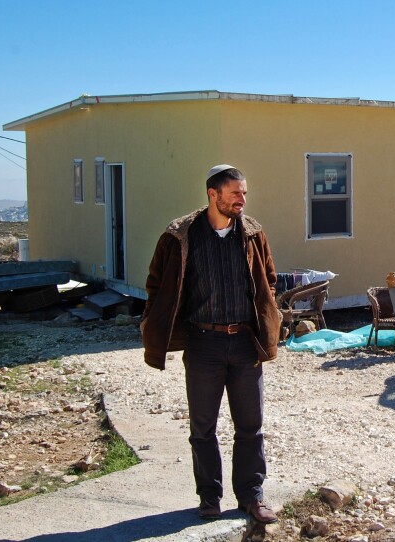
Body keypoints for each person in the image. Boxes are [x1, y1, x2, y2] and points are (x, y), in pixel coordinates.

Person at [140, 164, 282, 523]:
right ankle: (209, 498)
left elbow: (269, 278)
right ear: (213, 194)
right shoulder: (180, 236)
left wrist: (269, 318)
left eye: (244, 193)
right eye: (235, 193)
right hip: (203, 343)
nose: (242, 200)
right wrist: (153, 324)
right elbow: (156, 284)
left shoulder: (252, 234)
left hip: (246, 343)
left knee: (251, 425)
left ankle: (252, 496)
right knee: (203, 428)